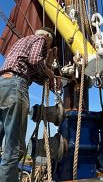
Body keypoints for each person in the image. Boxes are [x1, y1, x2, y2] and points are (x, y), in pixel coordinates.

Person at [0, 27, 56, 181]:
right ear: (46, 36)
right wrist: (49, 72)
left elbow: (31, 69)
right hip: (16, 86)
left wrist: (45, 76)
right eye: (49, 44)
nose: (47, 47)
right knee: (15, 148)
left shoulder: (21, 41)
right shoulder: (40, 39)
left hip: (2, 84)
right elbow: (35, 60)